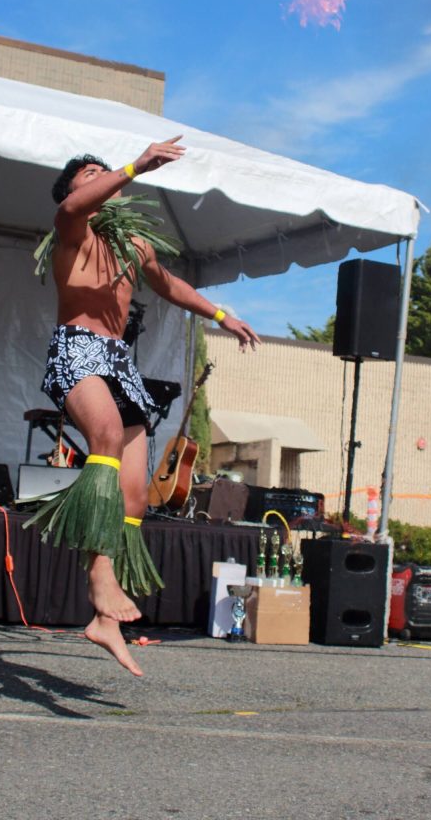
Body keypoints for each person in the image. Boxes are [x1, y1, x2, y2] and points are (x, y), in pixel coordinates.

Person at [31, 135, 260, 676]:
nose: (98, 176)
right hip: (78, 349)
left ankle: (103, 621)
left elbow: (170, 285)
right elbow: (70, 206)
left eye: (101, 171)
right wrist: (135, 165)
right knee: (105, 434)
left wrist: (221, 315)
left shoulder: (135, 244)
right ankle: (97, 578)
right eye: (88, 173)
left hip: (119, 362)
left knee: (134, 496)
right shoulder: (72, 233)